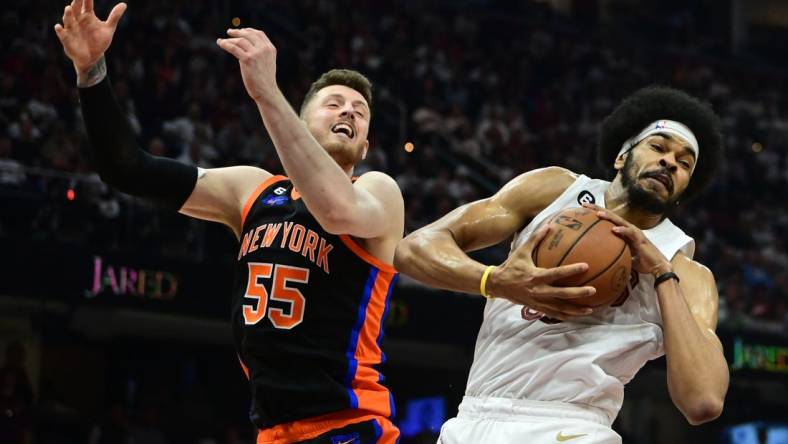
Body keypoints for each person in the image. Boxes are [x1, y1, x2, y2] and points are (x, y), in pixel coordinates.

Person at [54, 1, 404, 442]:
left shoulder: (380, 192)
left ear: (366, 147)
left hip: (349, 424)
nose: (348, 112)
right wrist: (91, 72)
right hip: (273, 430)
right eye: (334, 103)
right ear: (300, 123)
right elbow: (127, 168)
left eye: (359, 111)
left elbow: (334, 210)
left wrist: (267, 92)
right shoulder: (252, 189)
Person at [394, 86, 729, 443]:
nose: (670, 163)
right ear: (621, 157)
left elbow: (703, 401)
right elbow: (412, 249)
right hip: (474, 416)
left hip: (574, 427)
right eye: (658, 147)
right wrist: (495, 281)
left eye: (684, 163)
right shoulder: (553, 190)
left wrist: (662, 274)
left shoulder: (684, 269)